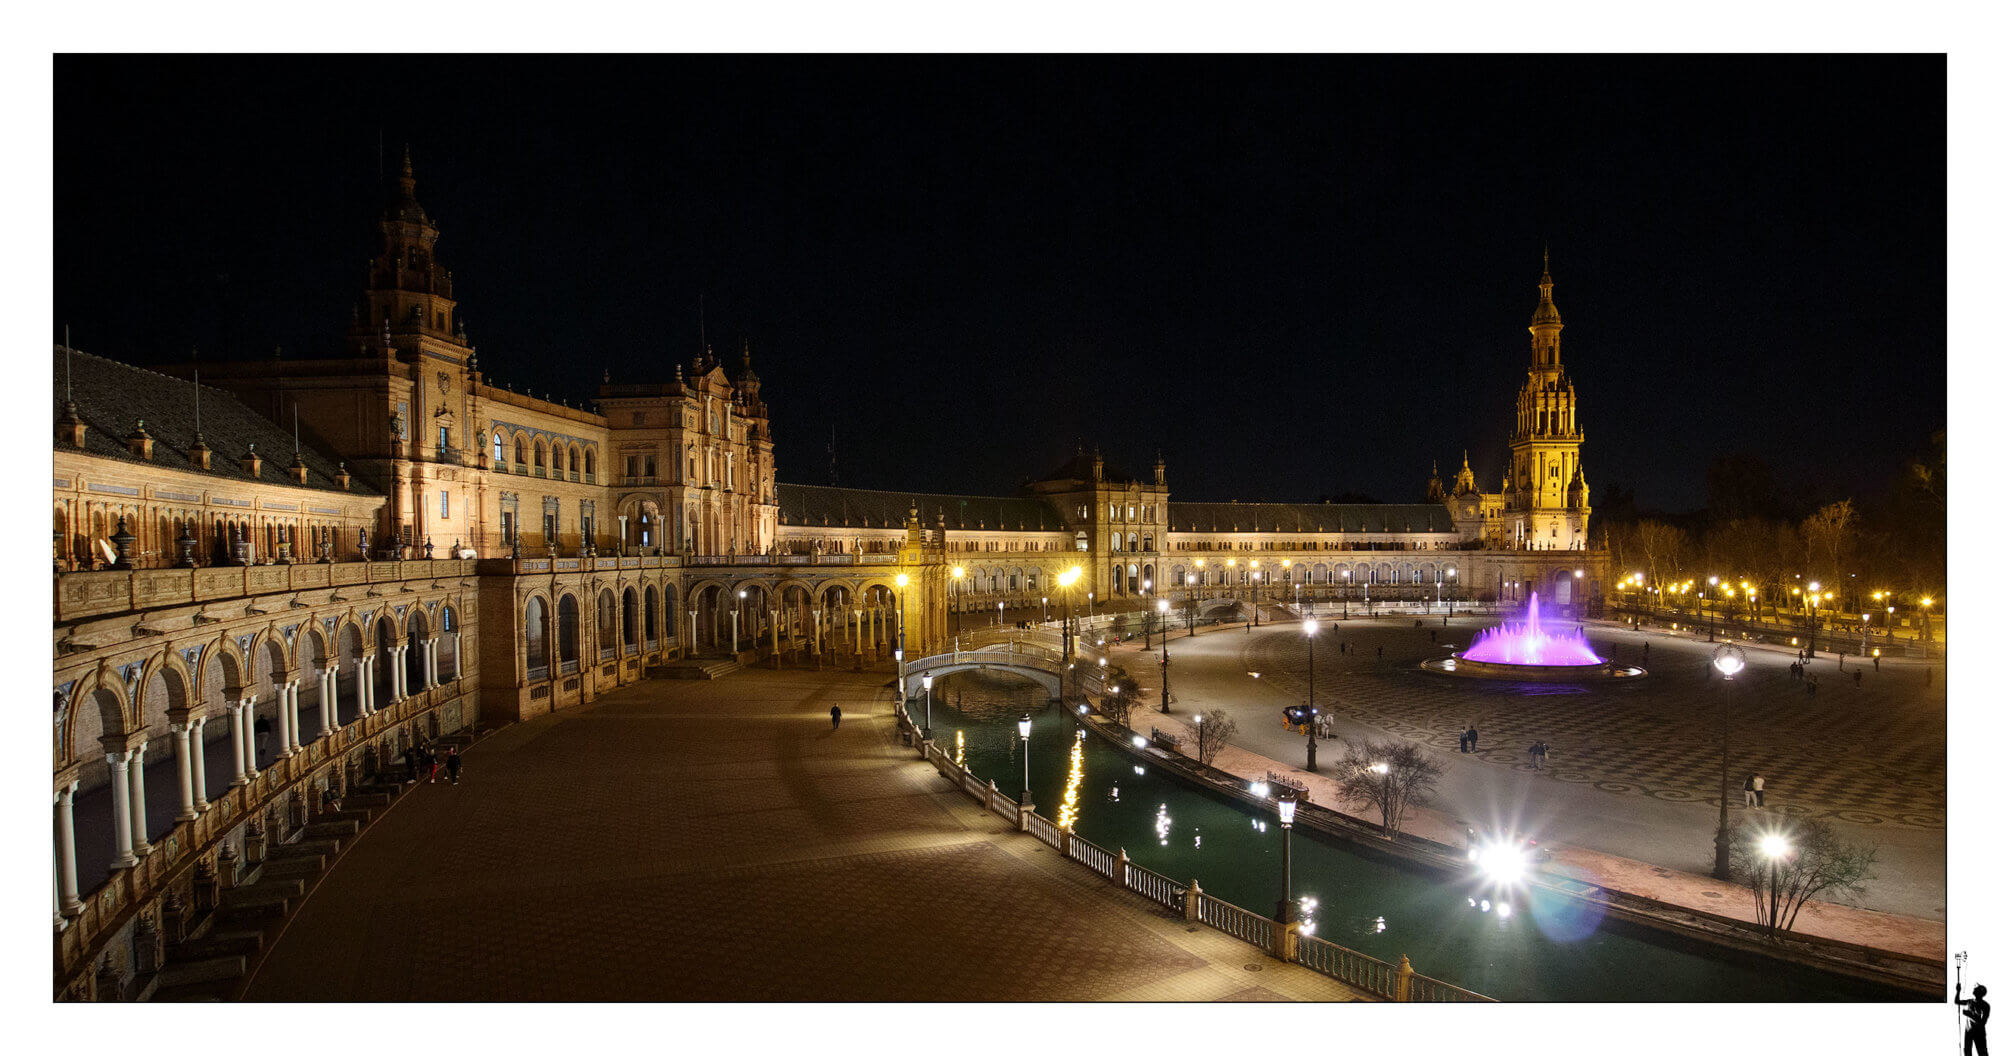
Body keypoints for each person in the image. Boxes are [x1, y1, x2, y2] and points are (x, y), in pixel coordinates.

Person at [1959, 982, 1990, 1056]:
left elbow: (1982, 1022)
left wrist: (1969, 1015)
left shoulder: (1985, 1005)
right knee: (1967, 1052)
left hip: (1979, 1033)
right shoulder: (1970, 1001)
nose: (1974, 988)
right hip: (1969, 1032)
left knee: (1982, 1053)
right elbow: (1956, 1001)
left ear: (1979, 992)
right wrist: (1958, 991)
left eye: (1976, 988)